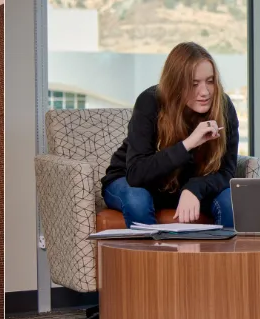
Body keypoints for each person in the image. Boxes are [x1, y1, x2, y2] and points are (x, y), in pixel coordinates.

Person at [102, 41, 239, 228]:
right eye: (194, 84)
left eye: (210, 81)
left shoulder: (223, 106)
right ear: (176, 84)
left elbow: (227, 172)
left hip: (186, 186)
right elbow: (136, 174)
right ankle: (152, 258)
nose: (205, 92)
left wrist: (194, 188)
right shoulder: (149, 101)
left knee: (229, 202)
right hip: (133, 180)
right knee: (137, 200)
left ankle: (219, 258)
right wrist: (189, 143)